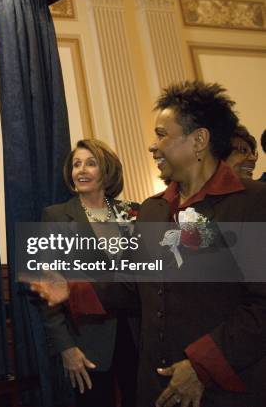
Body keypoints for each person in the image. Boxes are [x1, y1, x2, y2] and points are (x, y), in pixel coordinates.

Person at [31, 81, 266, 407]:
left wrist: (201, 367)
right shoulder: (154, 209)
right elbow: (132, 282)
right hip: (154, 386)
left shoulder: (253, 203)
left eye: (162, 135)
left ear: (199, 140)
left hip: (224, 390)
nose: (153, 147)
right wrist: (72, 290)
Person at [40, 139, 138, 407]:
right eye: (76, 164)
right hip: (87, 343)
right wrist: (66, 348)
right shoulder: (56, 217)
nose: (81, 170)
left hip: (137, 335)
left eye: (90, 163)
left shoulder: (132, 213)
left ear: (107, 171)